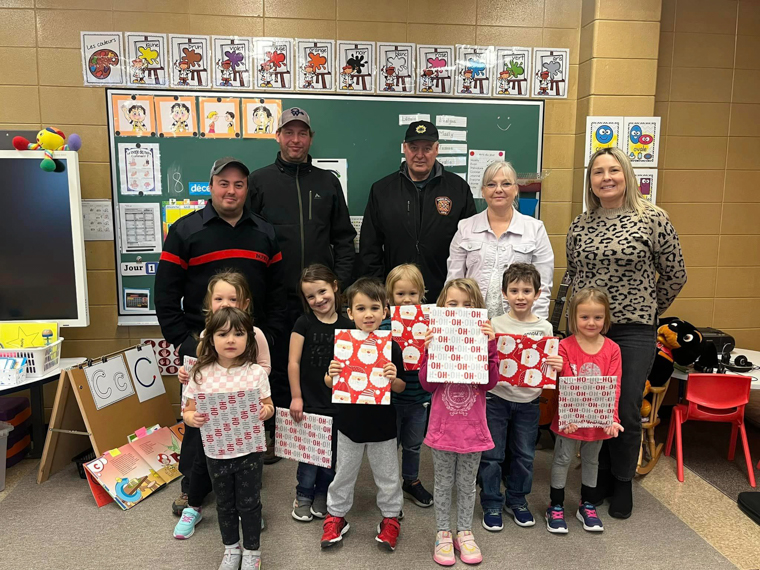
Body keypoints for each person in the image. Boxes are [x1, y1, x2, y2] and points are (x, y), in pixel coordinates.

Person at [155, 156, 287, 512]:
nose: (231, 190)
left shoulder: (265, 232)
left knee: (246, 417)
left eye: (239, 184)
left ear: (247, 190)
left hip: (245, 347)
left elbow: (278, 293)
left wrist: (269, 337)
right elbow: (165, 295)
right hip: (200, 345)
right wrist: (185, 342)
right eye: (224, 183)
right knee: (198, 420)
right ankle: (192, 487)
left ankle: (244, 485)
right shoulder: (184, 230)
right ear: (211, 186)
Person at [566, 147, 686, 518]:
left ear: (627, 174)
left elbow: (675, 275)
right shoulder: (580, 224)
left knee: (625, 407)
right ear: (590, 181)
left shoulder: (653, 219)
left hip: (634, 332)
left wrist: (646, 310)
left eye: (613, 170)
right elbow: (572, 276)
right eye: (598, 172)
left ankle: (621, 480)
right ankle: (598, 477)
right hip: (588, 331)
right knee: (592, 404)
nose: (606, 178)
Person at [249, 108, 356, 462]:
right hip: (278, 296)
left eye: (302, 133)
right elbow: (249, 237)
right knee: (279, 364)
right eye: (288, 132)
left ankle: (325, 426)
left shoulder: (327, 182)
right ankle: (281, 433)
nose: (295, 140)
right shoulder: (259, 182)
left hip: (321, 298)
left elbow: (344, 238)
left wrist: (340, 284)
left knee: (324, 362)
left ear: (310, 138)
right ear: (277, 136)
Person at [172, 271, 271, 539]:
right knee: (200, 459)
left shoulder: (254, 334)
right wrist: (186, 374)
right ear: (209, 303)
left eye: (233, 298)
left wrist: (246, 382)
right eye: (219, 298)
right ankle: (193, 504)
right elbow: (199, 368)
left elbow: (264, 368)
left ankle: (248, 510)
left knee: (245, 467)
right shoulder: (206, 334)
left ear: (245, 303)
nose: (225, 304)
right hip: (209, 417)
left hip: (241, 416)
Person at [182, 307, 275, 570]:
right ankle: (231, 549)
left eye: (238, 333)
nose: (231, 340)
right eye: (223, 334)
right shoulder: (201, 373)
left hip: (250, 451)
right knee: (225, 505)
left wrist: (264, 411)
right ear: (211, 339)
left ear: (249, 338)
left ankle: (252, 552)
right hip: (216, 451)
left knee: (250, 504)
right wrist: (192, 419)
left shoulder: (255, 372)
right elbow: (187, 410)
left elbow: (269, 406)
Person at [321, 278, 406, 551]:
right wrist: (330, 375)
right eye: (360, 308)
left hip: (382, 427)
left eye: (374, 307)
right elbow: (329, 383)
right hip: (349, 424)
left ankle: (391, 518)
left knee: (389, 475)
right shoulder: (342, 344)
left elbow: (401, 387)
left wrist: (394, 378)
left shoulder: (391, 347)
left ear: (385, 311)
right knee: (343, 472)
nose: (368, 314)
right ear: (350, 313)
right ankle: (335, 516)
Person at [419, 278, 499, 566]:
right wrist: (429, 350)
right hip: (442, 429)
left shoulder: (485, 341)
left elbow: (490, 382)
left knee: (466, 486)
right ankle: (443, 533)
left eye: (469, 305)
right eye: (453, 305)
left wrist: (490, 346)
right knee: (442, 484)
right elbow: (427, 385)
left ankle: (464, 532)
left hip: (473, 431)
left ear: (479, 310)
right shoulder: (435, 339)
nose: (461, 310)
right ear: (442, 308)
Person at [478, 263, 563, 532]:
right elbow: (485, 359)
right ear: (504, 293)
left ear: (538, 294)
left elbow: (548, 365)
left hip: (529, 401)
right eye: (514, 290)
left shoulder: (545, 328)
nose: (520, 296)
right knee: (492, 454)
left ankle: (517, 499)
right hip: (496, 398)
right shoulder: (494, 324)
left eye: (527, 290)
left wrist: (556, 364)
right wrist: (488, 341)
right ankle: (491, 501)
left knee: (525, 455)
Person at [360, 120, 476, 302]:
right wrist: (381, 291)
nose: (420, 155)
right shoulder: (382, 190)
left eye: (427, 148)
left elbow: (470, 245)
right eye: (414, 148)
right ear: (404, 148)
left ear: (437, 149)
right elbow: (370, 247)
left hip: (445, 296)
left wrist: (458, 293)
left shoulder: (458, 189)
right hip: (397, 297)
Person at [546, 287, 623, 534]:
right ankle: (555, 506)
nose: (591, 322)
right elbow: (563, 384)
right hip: (569, 419)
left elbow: (614, 385)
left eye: (598, 317)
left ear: (606, 318)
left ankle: (587, 505)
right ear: (573, 317)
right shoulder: (564, 346)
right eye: (585, 317)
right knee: (562, 459)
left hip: (598, 420)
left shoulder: (612, 349)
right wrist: (569, 416)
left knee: (591, 460)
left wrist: (612, 418)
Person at [447, 161, 554, 319]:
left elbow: (542, 286)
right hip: (473, 324)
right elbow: (453, 282)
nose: (498, 190)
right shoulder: (465, 228)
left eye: (506, 184)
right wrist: (454, 321)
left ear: (516, 189)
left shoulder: (535, 229)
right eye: (491, 184)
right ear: (483, 191)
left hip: (518, 324)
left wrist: (535, 327)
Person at [288, 264, 352, 523]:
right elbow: (293, 362)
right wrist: (296, 396)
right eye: (310, 296)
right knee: (310, 455)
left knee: (332, 456)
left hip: (338, 403)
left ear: (335, 286)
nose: (318, 300)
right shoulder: (304, 322)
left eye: (322, 291)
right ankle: (303, 495)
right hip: (309, 402)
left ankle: (323, 494)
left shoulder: (349, 325)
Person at [381, 264, 433, 508]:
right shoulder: (383, 325)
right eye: (400, 294)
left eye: (412, 293)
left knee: (413, 445)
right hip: (390, 399)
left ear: (421, 294)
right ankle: (389, 486)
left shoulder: (431, 325)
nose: (406, 300)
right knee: (390, 445)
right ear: (390, 296)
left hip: (419, 396)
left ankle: (410, 481)